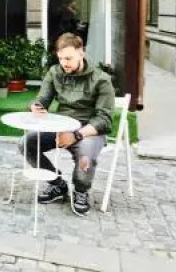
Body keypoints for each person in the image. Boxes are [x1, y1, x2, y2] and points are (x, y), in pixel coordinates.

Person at [19, 32, 115, 216]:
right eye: (61, 58)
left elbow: (104, 119)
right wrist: (35, 106)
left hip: (89, 130)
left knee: (85, 155)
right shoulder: (55, 72)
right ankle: (57, 184)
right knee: (26, 143)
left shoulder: (101, 79)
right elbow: (42, 99)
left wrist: (76, 135)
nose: (64, 63)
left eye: (69, 58)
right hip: (61, 126)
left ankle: (81, 190)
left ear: (81, 53)